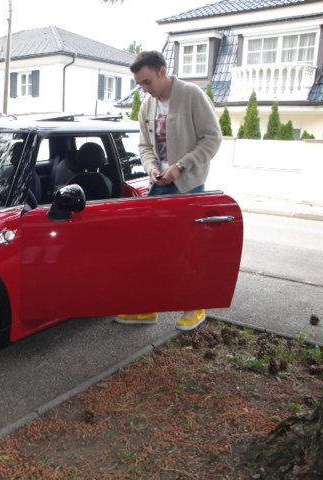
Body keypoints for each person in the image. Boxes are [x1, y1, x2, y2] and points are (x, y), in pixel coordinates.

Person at [116, 50, 223, 331]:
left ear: (162, 71)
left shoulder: (192, 95)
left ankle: (195, 306)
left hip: (188, 185)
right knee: (152, 250)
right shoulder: (147, 105)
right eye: (140, 84)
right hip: (158, 186)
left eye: (147, 82)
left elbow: (213, 138)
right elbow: (144, 146)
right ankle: (147, 308)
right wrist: (152, 168)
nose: (144, 89)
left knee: (185, 250)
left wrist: (181, 166)